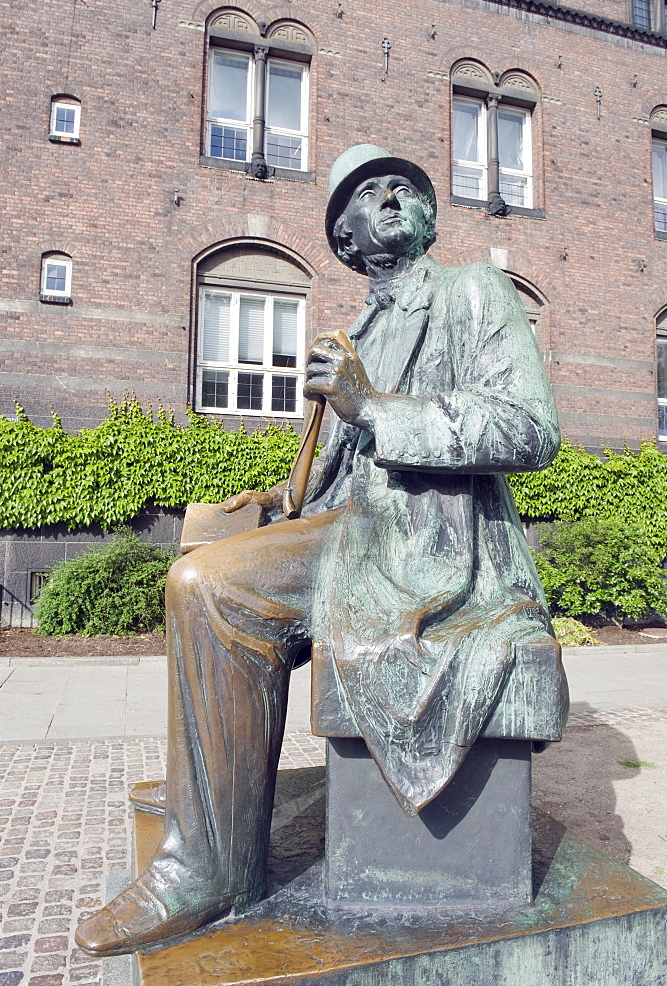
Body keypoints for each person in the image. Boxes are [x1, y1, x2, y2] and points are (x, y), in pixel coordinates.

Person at [75, 145, 563, 957]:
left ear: (429, 216)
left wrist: (374, 406)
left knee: (205, 585)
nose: (392, 199)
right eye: (369, 195)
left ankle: (204, 870)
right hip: (349, 534)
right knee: (202, 577)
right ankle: (214, 856)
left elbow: (528, 428)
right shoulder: (354, 329)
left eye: (404, 189)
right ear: (344, 238)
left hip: (428, 543)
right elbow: (333, 478)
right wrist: (273, 502)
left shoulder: (472, 290)